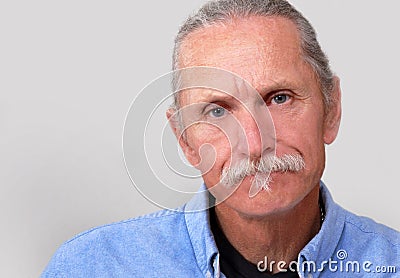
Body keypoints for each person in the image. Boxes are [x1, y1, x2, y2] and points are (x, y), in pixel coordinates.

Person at [41, 0, 399, 277]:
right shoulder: (94, 267)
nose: (256, 145)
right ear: (185, 141)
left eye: (280, 98)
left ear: (331, 110)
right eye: (217, 111)